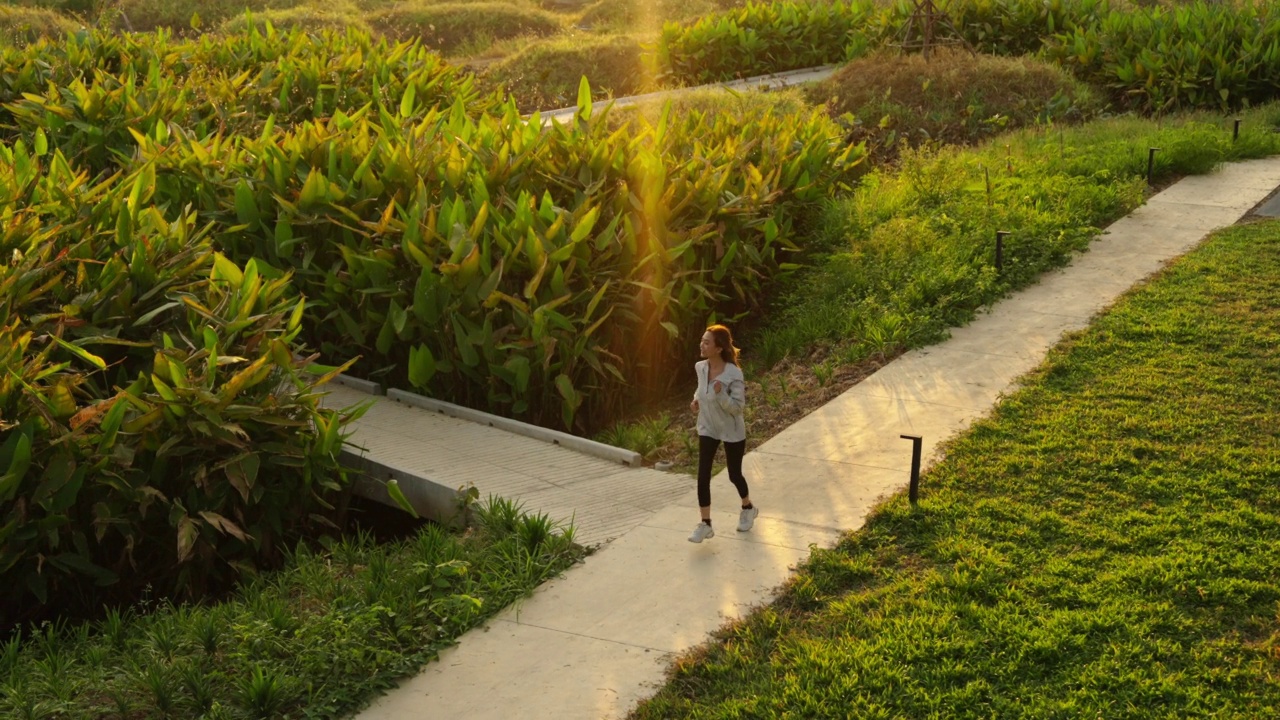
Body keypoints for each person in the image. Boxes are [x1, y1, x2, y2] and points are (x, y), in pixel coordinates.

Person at [687, 323, 757, 543]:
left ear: (718, 348)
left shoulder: (733, 373)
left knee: (734, 474)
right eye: (702, 340)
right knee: (703, 475)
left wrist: (720, 395)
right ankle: (705, 523)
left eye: (707, 342)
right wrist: (696, 400)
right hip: (708, 427)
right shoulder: (701, 367)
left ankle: (747, 507)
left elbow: (738, 407)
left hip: (731, 430)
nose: (702, 345)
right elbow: (700, 389)